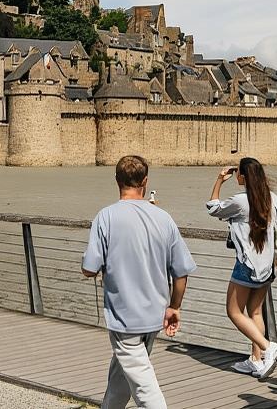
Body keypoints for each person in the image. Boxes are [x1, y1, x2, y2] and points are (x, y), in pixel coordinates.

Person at [82, 155, 196, 409]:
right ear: (145, 181)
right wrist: (174, 307)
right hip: (154, 315)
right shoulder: (164, 218)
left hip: (125, 317)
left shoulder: (106, 217)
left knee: (144, 386)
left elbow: (89, 268)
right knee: (122, 374)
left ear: (116, 181)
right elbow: (181, 272)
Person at [206, 158, 277, 379]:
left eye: (238, 173)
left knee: (233, 311)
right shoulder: (274, 199)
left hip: (247, 265)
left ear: (243, 176)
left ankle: (268, 347)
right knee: (255, 311)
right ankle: (256, 360)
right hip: (268, 266)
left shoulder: (241, 201)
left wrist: (220, 180)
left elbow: (213, 208)